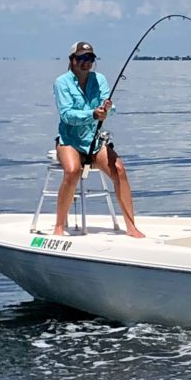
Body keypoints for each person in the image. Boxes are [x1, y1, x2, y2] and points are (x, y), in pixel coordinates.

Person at [52, 41, 144, 238]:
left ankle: (131, 226)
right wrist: (92, 114)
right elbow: (67, 115)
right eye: (81, 58)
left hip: (95, 140)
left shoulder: (99, 79)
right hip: (70, 140)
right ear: (72, 60)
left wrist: (107, 110)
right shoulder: (61, 82)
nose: (86, 62)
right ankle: (59, 226)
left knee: (119, 169)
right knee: (72, 171)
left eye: (90, 58)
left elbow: (112, 109)